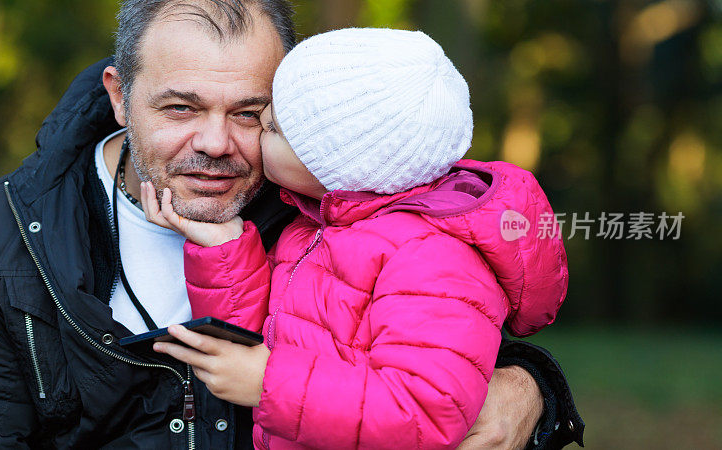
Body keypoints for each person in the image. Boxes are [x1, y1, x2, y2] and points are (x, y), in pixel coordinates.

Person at [0, 1, 584, 448]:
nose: (216, 143)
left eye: (250, 114)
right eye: (182, 107)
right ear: (120, 95)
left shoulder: (330, 208)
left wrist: (532, 392)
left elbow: (443, 350)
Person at [141, 27, 567, 449]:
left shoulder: (431, 257)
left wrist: (268, 383)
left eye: (269, 127)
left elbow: (423, 412)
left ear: (333, 162)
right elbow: (256, 343)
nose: (252, 137)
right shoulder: (321, 228)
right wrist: (224, 248)